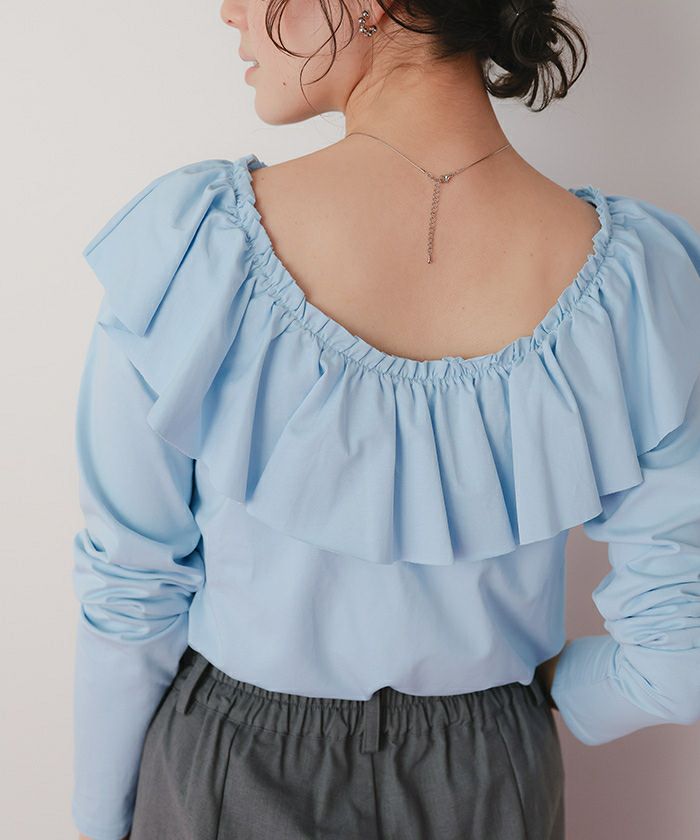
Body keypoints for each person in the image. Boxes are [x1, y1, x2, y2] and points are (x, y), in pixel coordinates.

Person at [71, 1, 700, 838]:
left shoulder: (194, 246)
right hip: (491, 776)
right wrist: (548, 693)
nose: (231, 12)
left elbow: (130, 588)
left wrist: (99, 819)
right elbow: (679, 657)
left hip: (228, 770)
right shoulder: (642, 280)